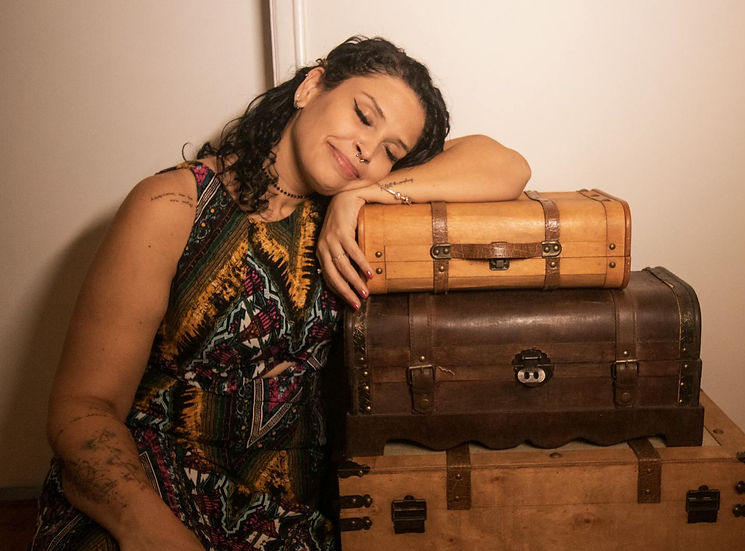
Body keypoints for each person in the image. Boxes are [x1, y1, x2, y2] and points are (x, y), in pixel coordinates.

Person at [32, 36, 530, 550]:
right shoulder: (172, 205)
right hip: (147, 491)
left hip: (280, 515)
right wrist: (150, 530)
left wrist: (366, 193)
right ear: (312, 85)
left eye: (390, 152)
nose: (367, 149)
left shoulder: (361, 219)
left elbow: (507, 165)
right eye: (363, 115)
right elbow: (83, 408)